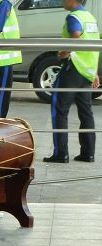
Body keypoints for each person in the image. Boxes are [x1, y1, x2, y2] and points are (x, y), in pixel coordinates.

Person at [44, 0, 100, 163]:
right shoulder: (90, 18)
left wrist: (65, 52)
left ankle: (61, 153)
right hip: (87, 70)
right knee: (86, 112)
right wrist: (95, 72)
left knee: (60, 109)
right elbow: (94, 47)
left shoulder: (74, 17)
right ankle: (88, 153)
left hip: (73, 68)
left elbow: (76, 34)